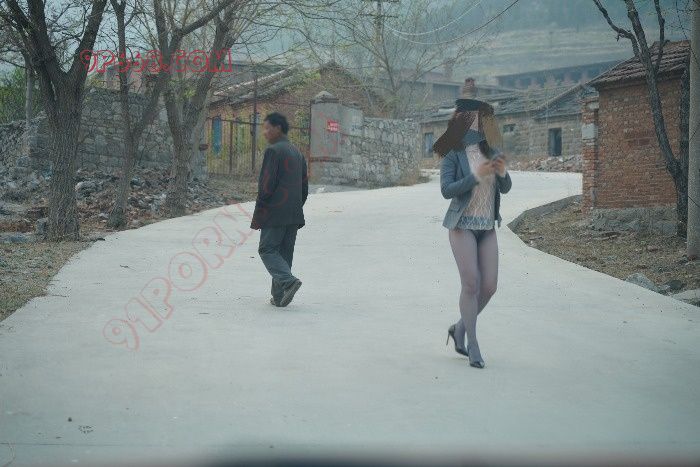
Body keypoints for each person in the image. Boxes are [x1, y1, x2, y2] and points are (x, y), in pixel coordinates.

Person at [435, 99, 512, 369]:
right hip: (462, 225)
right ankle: (473, 344)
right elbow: (446, 190)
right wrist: (475, 176)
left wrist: (502, 173)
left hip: (487, 227)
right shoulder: (452, 151)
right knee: (471, 284)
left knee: (489, 286)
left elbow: (506, 188)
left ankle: (459, 328)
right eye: (478, 117)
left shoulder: (492, 149)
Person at [250, 112, 308, 307]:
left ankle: (288, 282)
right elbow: (304, 188)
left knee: (267, 249)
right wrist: (295, 206)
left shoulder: (274, 151)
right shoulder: (297, 152)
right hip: (294, 213)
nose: (264, 132)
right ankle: (279, 296)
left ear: (278, 128)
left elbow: (266, 186)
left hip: (275, 212)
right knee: (284, 254)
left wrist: (260, 212)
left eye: (267, 128)